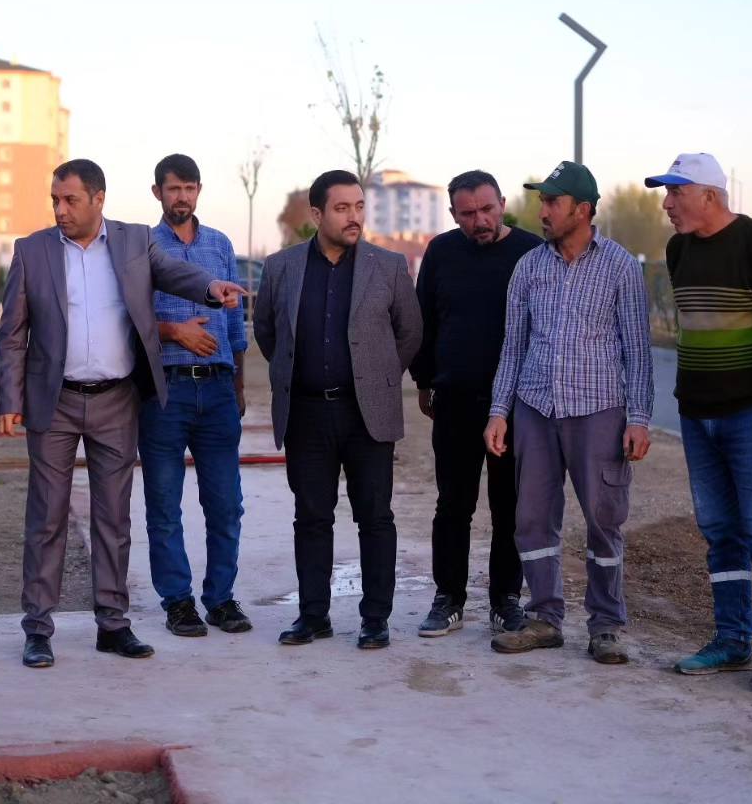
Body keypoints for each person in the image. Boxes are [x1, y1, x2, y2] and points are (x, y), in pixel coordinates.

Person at [0, 159, 245, 669]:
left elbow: (172, 272)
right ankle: (38, 629)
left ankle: (112, 624)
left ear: (98, 199)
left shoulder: (133, 241)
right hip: (55, 403)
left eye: (70, 200)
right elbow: (12, 334)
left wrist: (209, 288)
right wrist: (9, 400)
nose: (60, 210)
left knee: (114, 519)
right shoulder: (32, 251)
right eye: (55, 200)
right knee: (46, 518)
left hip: (116, 402)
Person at [646, 153, 752, 692]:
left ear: (709, 196)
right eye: (665, 193)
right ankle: (732, 641)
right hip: (697, 416)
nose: (667, 204)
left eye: (675, 192)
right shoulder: (678, 250)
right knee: (720, 533)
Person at [483, 161, 653, 665]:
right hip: (535, 408)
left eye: (552, 202)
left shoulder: (620, 266)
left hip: (599, 410)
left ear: (582, 209)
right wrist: (499, 411)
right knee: (532, 518)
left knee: (604, 520)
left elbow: (637, 349)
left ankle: (606, 625)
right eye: (542, 201)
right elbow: (513, 346)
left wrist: (639, 417)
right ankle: (544, 617)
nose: (543, 211)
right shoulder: (529, 268)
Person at [253, 170, 423, 650]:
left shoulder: (388, 266)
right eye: (342, 208)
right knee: (311, 517)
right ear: (317, 214)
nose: (354, 217)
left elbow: (409, 332)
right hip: (307, 414)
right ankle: (313, 616)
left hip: (366, 413)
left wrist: (377, 376)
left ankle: (375, 618)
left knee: (375, 517)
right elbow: (268, 332)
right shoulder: (282, 268)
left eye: (359, 206)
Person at [411, 171, 542, 638]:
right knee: (453, 504)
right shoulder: (441, 252)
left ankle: (505, 599)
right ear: (453, 215)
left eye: (487, 209)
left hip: (516, 405)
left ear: (502, 203)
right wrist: (424, 380)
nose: (479, 220)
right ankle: (449, 597)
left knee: (510, 506)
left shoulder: (530, 252)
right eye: (468, 214)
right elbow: (424, 320)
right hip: (455, 400)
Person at [140, 154, 252, 637]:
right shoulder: (141, 248)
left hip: (219, 389)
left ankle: (221, 599)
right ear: (157, 193)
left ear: (199, 190)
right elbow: (130, 318)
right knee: (165, 504)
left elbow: (235, 325)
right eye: (173, 188)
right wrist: (174, 332)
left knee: (226, 503)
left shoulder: (220, 245)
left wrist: (238, 385)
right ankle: (178, 601)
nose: (181, 197)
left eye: (189, 188)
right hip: (165, 392)